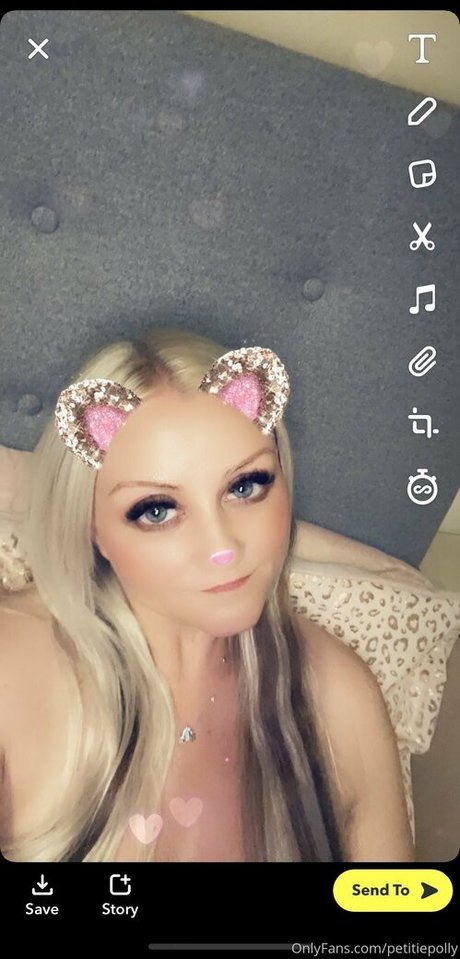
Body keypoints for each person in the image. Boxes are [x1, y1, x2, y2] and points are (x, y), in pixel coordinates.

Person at [0, 327, 414, 862]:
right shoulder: (10, 669)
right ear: (91, 528)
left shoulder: (338, 696)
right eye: (157, 510)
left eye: (245, 486)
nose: (222, 548)